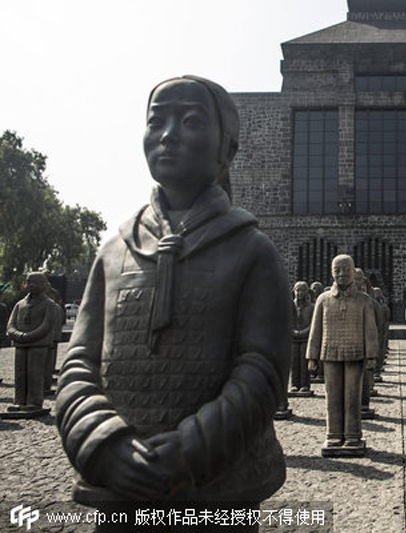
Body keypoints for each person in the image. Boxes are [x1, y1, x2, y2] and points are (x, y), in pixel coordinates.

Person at [55, 76, 290, 530]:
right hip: (121, 489)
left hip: (214, 490)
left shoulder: (251, 250)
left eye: (191, 120)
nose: (168, 134)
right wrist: (104, 445)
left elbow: (262, 370)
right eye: (156, 120)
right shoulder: (114, 249)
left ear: (227, 150)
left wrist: (190, 451)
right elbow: (79, 363)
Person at [306, 254, 379, 456]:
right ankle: (334, 434)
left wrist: (372, 355)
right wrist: (312, 355)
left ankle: (353, 435)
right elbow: (316, 329)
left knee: (352, 395)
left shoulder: (364, 301)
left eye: (346, 269)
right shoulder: (323, 299)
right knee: (333, 396)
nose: (342, 274)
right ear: (331, 272)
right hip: (330, 352)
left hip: (355, 352)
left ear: (353, 271)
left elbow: (370, 330)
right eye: (337, 270)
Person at [5, 272, 57, 416]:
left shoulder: (49, 305)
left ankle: (34, 401)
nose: (31, 286)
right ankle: (19, 400)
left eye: (36, 283)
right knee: (20, 374)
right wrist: (18, 335)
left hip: (38, 344)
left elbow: (46, 325)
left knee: (35, 373)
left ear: (44, 285)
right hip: (21, 344)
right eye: (29, 282)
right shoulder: (19, 305)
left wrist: (29, 336)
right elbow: (10, 324)